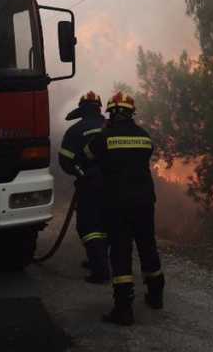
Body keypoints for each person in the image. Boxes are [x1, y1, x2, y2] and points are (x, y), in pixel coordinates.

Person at [85, 92, 164, 326]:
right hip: (144, 202)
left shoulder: (104, 137)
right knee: (148, 246)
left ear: (111, 113)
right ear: (131, 114)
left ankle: (123, 309)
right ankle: (156, 296)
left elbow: (87, 156)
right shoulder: (144, 136)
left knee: (120, 252)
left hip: (117, 204)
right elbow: (148, 152)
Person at [58, 91, 110, 284]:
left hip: (90, 187)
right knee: (107, 223)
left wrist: (81, 174)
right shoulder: (110, 127)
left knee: (89, 226)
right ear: (99, 108)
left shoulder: (75, 130)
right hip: (114, 185)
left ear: (82, 109)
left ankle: (100, 270)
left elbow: (65, 161)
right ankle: (100, 259)